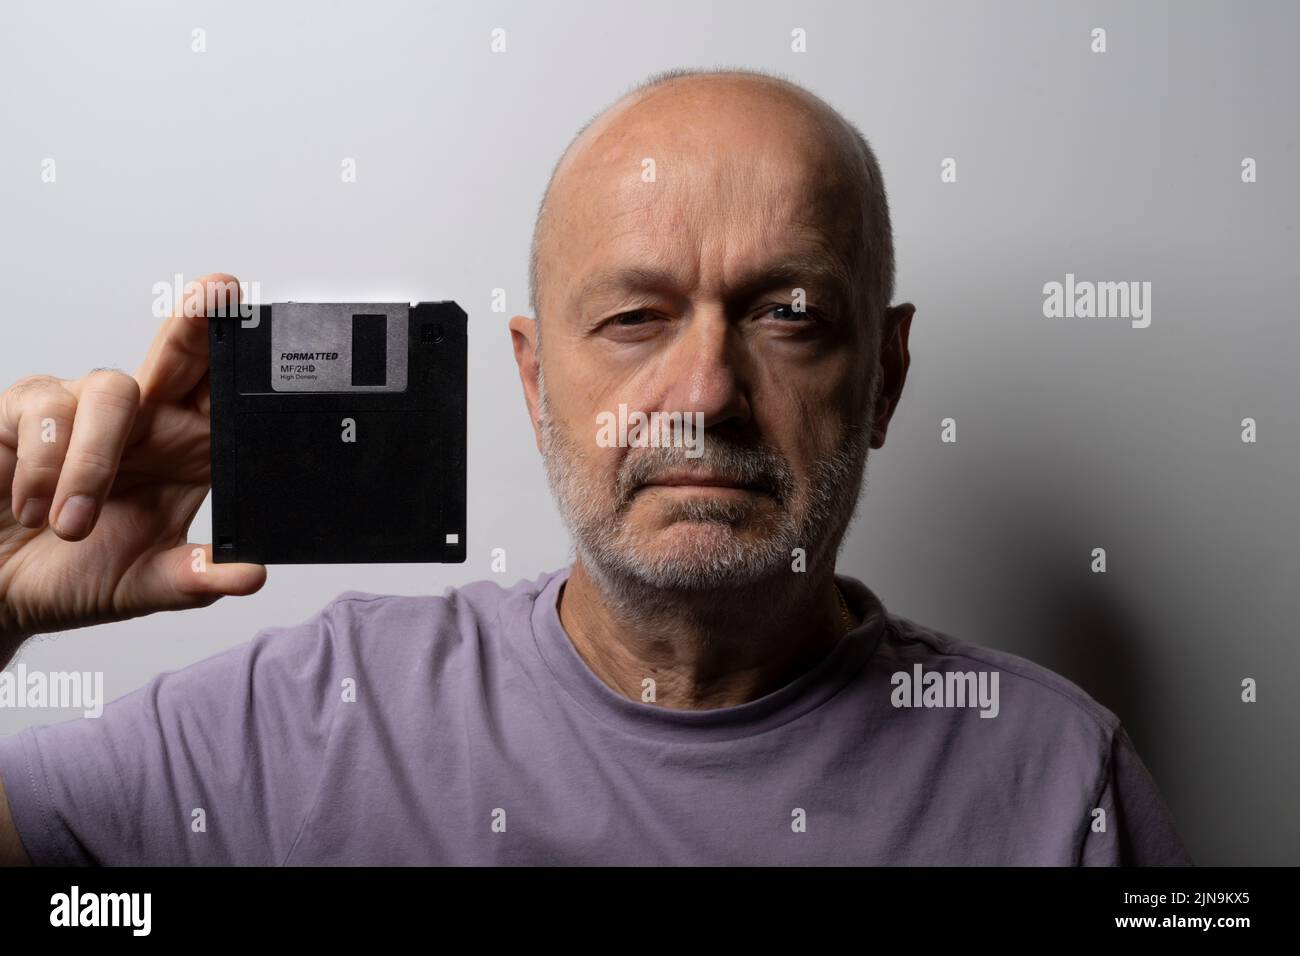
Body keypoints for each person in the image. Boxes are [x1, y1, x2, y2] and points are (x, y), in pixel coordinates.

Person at [0, 67, 1191, 865]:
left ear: (883, 376)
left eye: (785, 314)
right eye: (633, 317)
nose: (704, 394)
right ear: (530, 379)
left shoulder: (1056, 779)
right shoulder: (298, 722)